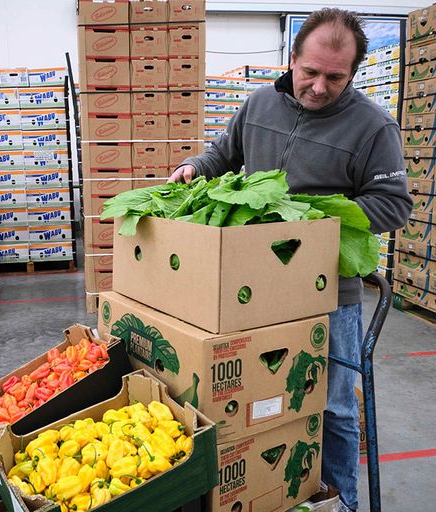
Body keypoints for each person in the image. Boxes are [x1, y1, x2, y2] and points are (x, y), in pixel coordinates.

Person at [169, 8, 412, 511]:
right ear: (292, 58)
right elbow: (222, 155)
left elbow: (393, 205)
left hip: (329, 292)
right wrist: (194, 168)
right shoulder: (259, 104)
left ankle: (339, 500)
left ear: (353, 73)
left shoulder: (373, 127)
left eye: (335, 77)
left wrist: (313, 221)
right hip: (253, 288)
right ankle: (268, 492)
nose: (320, 86)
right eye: (311, 72)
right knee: (256, 404)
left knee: (335, 407)